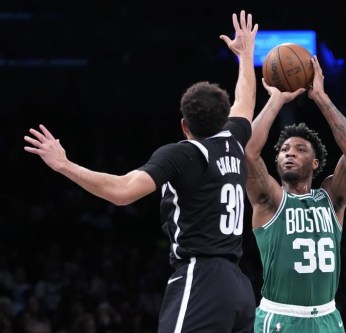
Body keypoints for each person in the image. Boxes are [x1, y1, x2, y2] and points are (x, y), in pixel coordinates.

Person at [23, 10, 259, 333]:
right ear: (223, 119)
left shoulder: (182, 154)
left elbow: (121, 192)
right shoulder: (234, 140)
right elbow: (246, 100)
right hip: (240, 286)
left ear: (184, 125)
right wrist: (246, 56)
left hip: (201, 279)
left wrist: (64, 164)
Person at [245, 55, 346, 333]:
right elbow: (247, 152)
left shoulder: (331, 199)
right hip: (280, 318)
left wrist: (320, 97)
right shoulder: (271, 200)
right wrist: (276, 99)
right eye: (284, 149)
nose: (289, 153)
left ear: (315, 163)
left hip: (327, 316)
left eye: (300, 149)